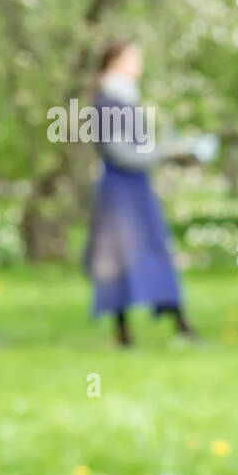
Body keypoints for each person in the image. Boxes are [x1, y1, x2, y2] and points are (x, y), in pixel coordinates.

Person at [83, 40, 196, 347]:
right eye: (133, 58)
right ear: (115, 61)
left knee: (156, 255)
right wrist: (170, 153)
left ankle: (180, 326)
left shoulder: (126, 100)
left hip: (137, 188)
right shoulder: (107, 103)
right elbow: (122, 154)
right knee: (119, 260)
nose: (139, 64)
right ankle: (127, 333)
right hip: (120, 192)